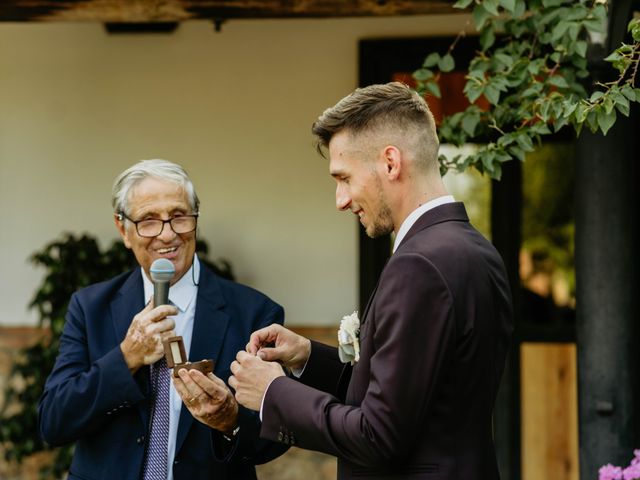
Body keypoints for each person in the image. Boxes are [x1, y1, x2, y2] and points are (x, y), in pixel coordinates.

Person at [227, 82, 514, 479]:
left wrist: (273, 393)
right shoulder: (475, 249)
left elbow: (378, 435)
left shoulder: (419, 265)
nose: (341, 199)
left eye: (344, 178)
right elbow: (408, 394)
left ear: (390, 163)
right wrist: (309, 357)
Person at [38, 159, 287, 480]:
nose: (167, 235)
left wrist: (230, 419)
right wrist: (127, 357)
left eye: (179, 217)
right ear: (122, 229)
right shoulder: (89, 307)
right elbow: (54, 423)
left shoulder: (255, 312)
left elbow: (276, 436)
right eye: (148, 220)